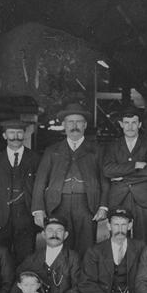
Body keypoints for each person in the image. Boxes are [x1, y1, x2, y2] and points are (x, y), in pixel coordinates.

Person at [31, 102, 109, 256]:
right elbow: (40, 181)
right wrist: (38, 209)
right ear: (64, 126)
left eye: (79, 122)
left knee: (86, 247)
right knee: (59, 246)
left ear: (85, 125)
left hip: (87, 205)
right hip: (58, 205)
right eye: (70, 122)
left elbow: (104, 180)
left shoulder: (97, 150)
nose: (75, 126)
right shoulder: (52, 151)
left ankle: (84, 279)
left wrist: (103, 206)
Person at [0, 119, 40, 265]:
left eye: (19, 133)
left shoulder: (35, 159)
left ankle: (22, 288)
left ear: (24, 134)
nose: (16, 136)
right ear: (5, 136)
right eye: (11, 133)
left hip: (26, 219)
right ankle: (1, 288)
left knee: (25, 260)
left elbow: (41, 189)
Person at [103, 106, 147, 243]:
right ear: (121, 124)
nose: (130, 126)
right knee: (119, 241)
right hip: (119, 199)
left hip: (144, 200)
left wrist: (122, 177)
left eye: (134, 122)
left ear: (139, 124)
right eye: (126, 123)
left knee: (144, 241)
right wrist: (135, 166)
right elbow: (108, 170)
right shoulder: (113, 146)